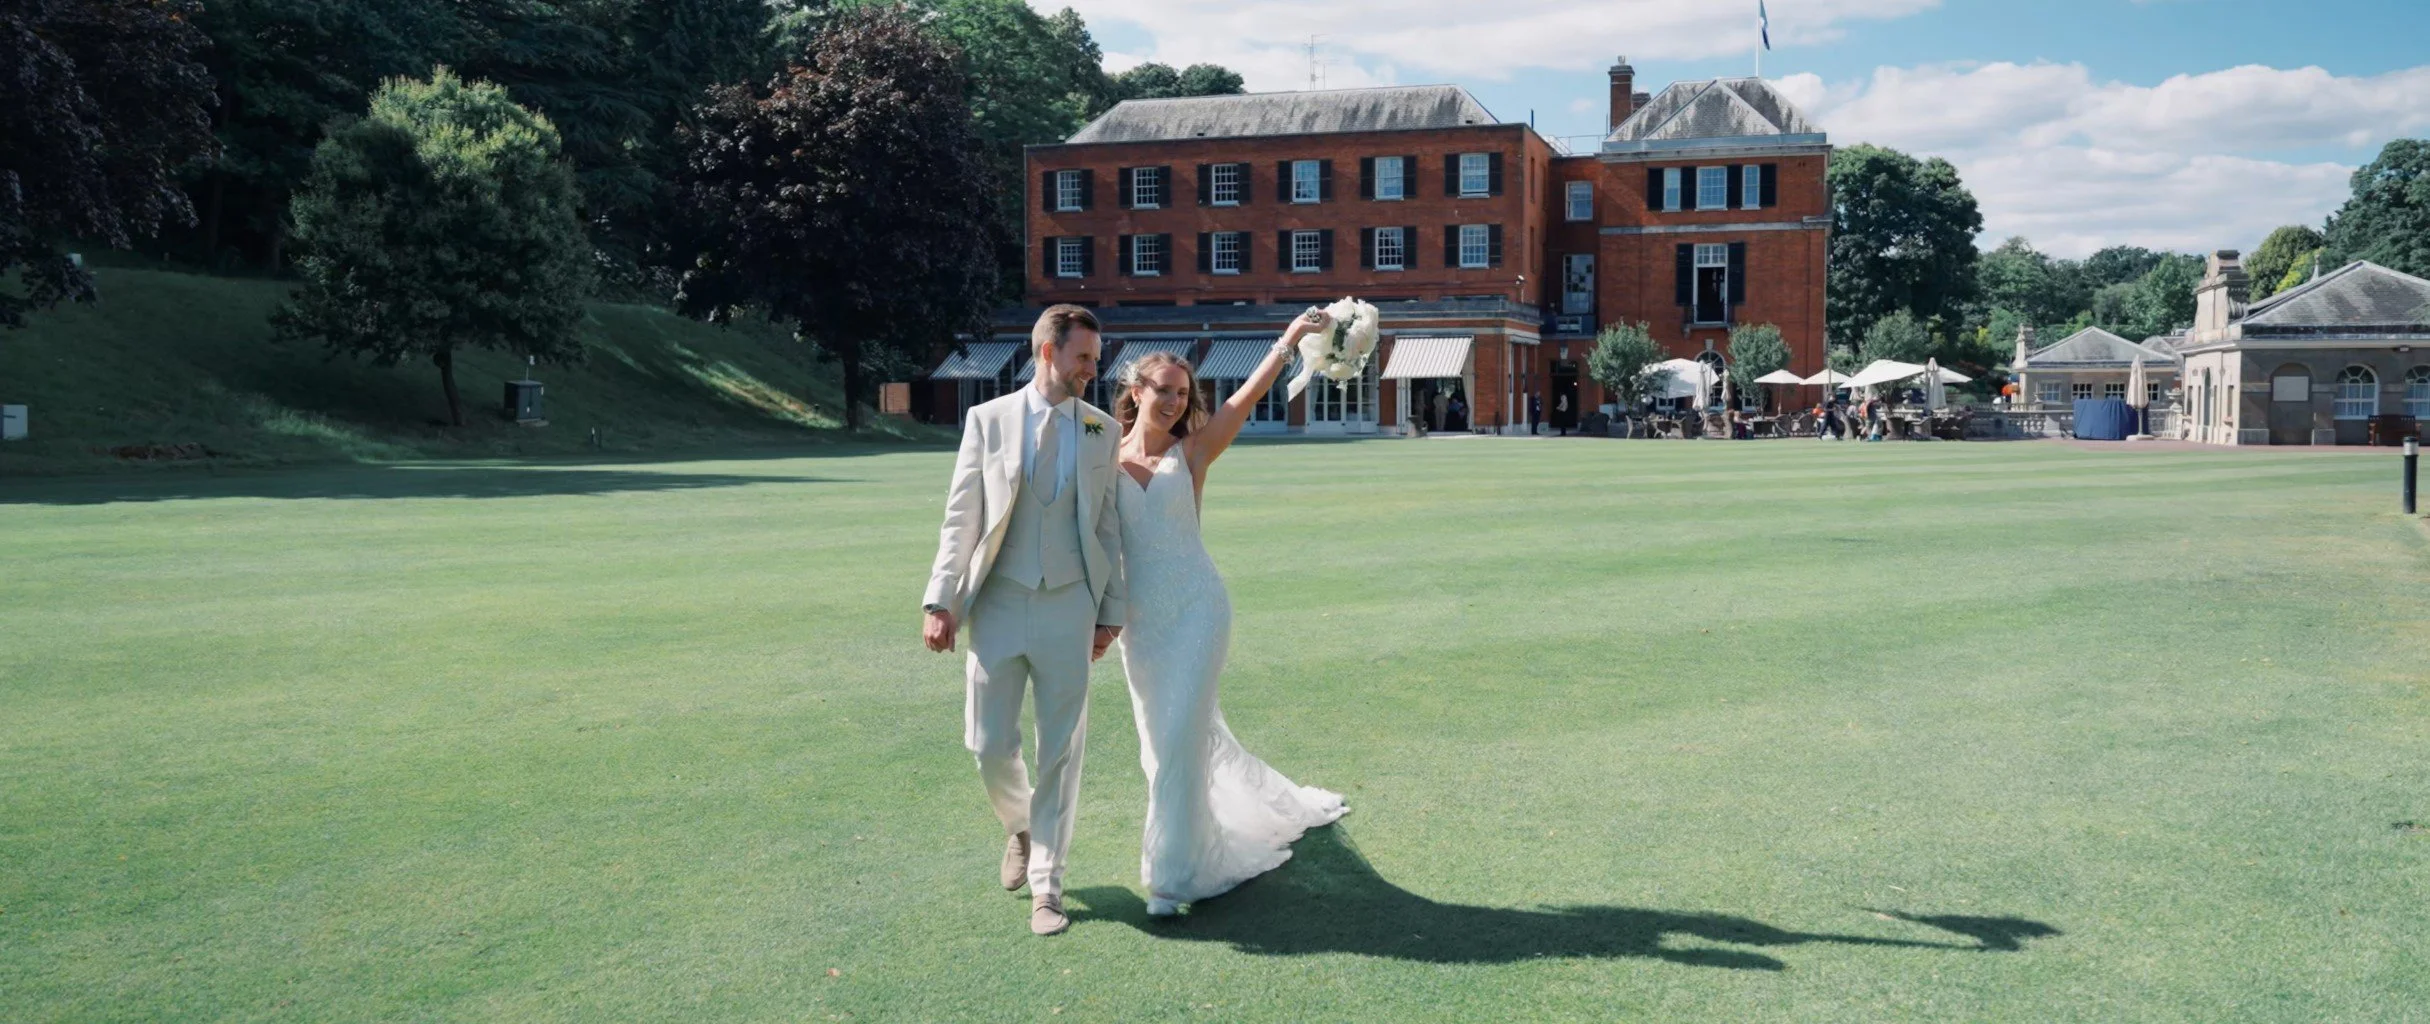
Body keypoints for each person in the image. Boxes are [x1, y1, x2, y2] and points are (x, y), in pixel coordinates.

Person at [1112, 308, 1349, 918]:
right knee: (1160, 744)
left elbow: (1244, 398)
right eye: (1161, 390)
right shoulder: (1099, 460)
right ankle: (1206, 840)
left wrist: (1289, 341)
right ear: (1135, 391)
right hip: (1140, 628)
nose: (1171, 401)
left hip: (1198, 611)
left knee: (1182, 737)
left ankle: (1172, 875)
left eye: (1182, 393)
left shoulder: (1193, 452)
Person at [921, 304, 1127, 937]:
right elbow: (962, 517)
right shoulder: (987, 420)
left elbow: (1108, 524)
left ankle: (1049, 888)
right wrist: (940, 601)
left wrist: (1109, 613)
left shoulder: (1101, 429)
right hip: (1001, 603)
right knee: (986, 743)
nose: (1094, 369)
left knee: (1061, 752)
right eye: (1083, 358)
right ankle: (1019, 826)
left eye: (1095, 357)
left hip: (1070, 604)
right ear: (1048, 352)